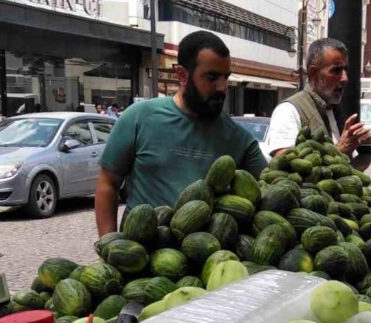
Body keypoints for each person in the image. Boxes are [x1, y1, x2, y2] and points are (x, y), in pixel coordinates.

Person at [94, 31, 267, 236]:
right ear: (182, 75)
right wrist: (109, 245)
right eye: (212, 77)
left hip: (204, 258)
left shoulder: (239, 138)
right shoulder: (138, 118)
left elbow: (268, 191)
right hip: (139, 256)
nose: (222, 87)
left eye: (226, 77)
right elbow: (108, 185)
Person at [265, 38, 371, 170]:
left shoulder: (335, 111)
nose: (345, 78)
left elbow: (348, 172)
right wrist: (340, 150)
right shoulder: (289, 111)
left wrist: (366, 148)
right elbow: (285, 169)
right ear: (313, 73)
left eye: (345, 69)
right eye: (336, 70)